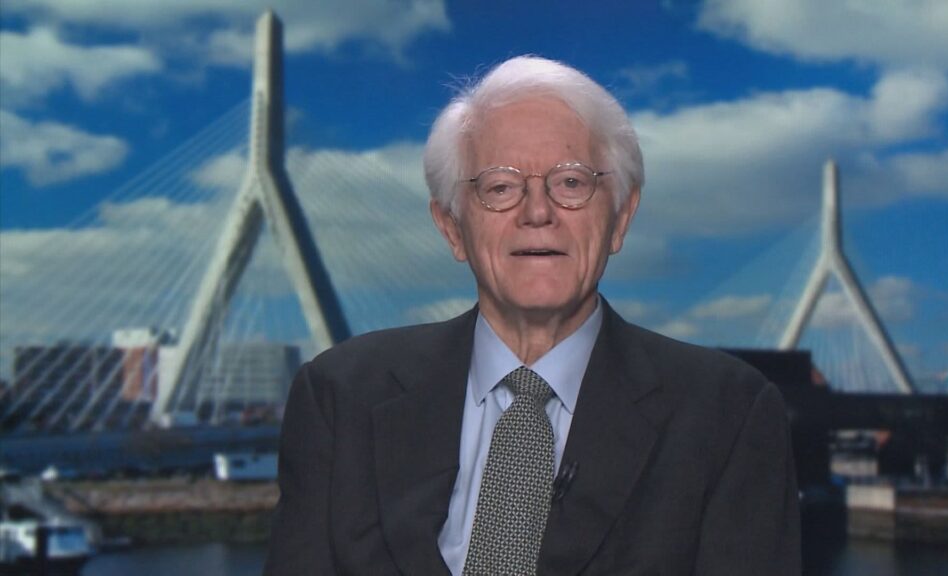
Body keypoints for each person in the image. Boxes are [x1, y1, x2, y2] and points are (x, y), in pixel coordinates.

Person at [264, 55, 800, 576]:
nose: (538, 212)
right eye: (500, 188)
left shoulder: (728, 414)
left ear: (621, 217)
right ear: (451, 227)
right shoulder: (340, 396)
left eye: (571, 183)